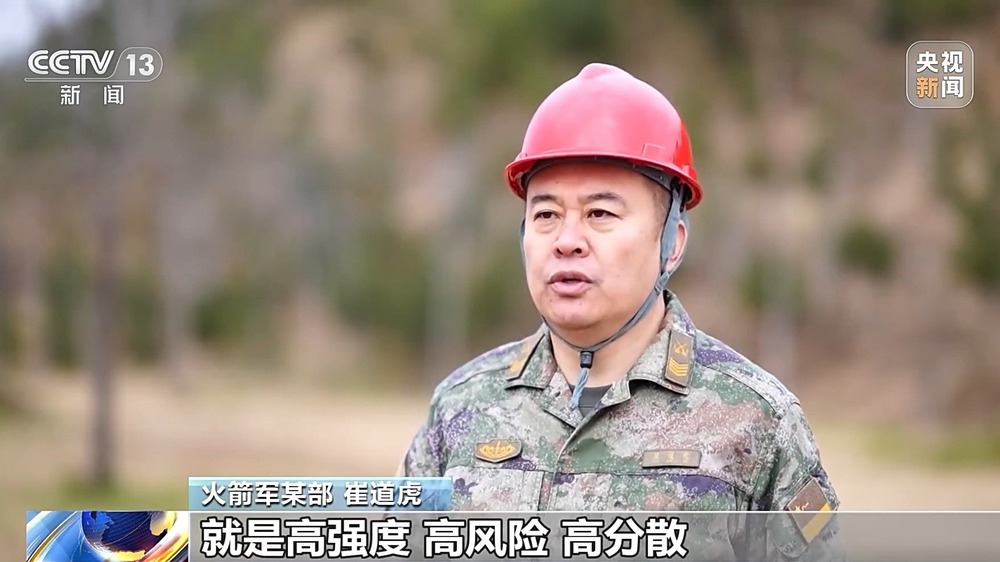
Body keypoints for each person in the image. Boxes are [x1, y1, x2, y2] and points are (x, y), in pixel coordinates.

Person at [396, 63, 842, 559]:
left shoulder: (754, 422)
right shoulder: (461, 408)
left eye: (600, 213)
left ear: (672, 242)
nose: (567, 241)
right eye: (545, 214)